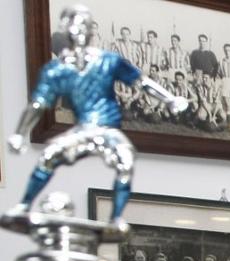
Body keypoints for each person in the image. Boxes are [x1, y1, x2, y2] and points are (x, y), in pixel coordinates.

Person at [5, 7, 187, 225]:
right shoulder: (56, 70)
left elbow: (142, 82)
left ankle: (116, 218)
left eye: (84, 24)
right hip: (83, 130)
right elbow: (38, 104)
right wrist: (19, 133)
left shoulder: (109, 61)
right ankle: (23, 206)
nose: (79, 29)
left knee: (125, 161)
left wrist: (169, 99)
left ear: (91, 30)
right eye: (73, 24)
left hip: (107, 129)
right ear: (64, 30)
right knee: (48, 156)